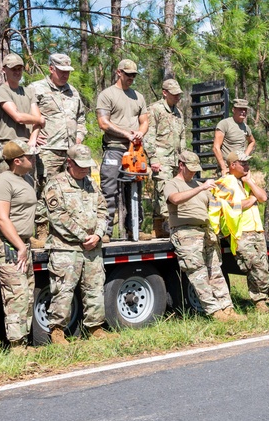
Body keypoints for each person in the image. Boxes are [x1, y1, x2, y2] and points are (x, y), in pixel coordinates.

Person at [39, 144, 116, 344]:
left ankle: (95, 328)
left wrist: (98, 234)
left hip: (93, 247)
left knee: (94, 288)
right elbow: (58, 217)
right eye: (80, 165)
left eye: (87, 166)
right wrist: (84, 236)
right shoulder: (56, 185)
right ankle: (57, 331)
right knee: (63, 290)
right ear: (69, 162)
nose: (85, 169)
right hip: (66, 248)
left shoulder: (90, 184)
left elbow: (102, 210)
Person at [165, 151, 243, 322]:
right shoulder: (172, 184)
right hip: (186, 233)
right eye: (190, 168)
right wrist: (201, 187)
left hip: (207, 232)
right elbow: (175, 200)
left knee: (215, 272)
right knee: (198, 273)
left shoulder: (199, 184)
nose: (193, 172)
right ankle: (215, 312)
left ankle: (228, 309)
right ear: (181, 165)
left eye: (195, 169)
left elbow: (216, 204)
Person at [27, 53, 87, 247]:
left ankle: (65, 231)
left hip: (71, 151)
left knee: (69, 191)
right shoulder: (36, 89)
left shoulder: (73, 91)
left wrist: (78, 138)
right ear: (51, 68)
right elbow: (29, 116)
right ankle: (42, 231)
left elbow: (81, 118)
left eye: (68, 72)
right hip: (48, 149)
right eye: (61, 71)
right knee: (46, 190)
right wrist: (34, 135)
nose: (65, 75)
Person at [212, 151, 269, 312]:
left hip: (256, 230)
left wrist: (250, 181)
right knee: (254, 266)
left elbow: (263, 197)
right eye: (243, 163)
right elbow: (231, 206)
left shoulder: (246, 181)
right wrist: (251, 199)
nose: (247, 166)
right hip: (240, 232)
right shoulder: (225, 182)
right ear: (232, 165)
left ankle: (262, 301)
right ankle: (268, 294)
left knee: (261, 266)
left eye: (247, 163)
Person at [0, 140, 37, 351]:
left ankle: (24, 342)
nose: (34, 159)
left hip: (22, 244)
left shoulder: (25, 179)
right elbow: (1, 218)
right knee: (16, 296)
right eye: (30, 156)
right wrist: (19, 246)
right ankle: (17, 347)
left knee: (27, 295)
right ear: (17, 161)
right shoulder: (3, 182)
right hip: (10, 245)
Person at [96, 59, 148, 241]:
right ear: (119, 72)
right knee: (109, 190)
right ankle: (105, 231)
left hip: (135, 150)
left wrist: (140, 133)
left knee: (134, 191)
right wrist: (126, 134)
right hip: (114, 148)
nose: (131, 78)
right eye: (128, 74)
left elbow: (145, 121)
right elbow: (103, 122)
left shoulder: (138, 96)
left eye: (134, 75)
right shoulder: (107, 94)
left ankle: (135, 229)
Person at [144, 79, 187, 239]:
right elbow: (149, 135)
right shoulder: (155, 109)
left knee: (171, 191)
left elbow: (182, 136)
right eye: (174, 94)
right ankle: (173, 226)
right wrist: (153, 158)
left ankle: (159, 229)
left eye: (179, 94)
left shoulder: (178, 113)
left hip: (176, 160)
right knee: (164, 193)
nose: (177, 97)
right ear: (165, 93)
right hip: (161, 159)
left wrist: (184, 158)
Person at [0, 53, 44, 166]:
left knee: (28, 183)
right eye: (13, 69)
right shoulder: (1, 92)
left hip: (28, 146)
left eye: (19, 69)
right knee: (7, 181)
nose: (17, 72)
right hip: (9, 145)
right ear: (4, 69)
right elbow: (18, 117)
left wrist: (33, 139)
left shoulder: (29, 92)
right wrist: (39, 120)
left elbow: (38, 119)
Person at [213, 99, 256, 176]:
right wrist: (223, 167)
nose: (243, 112)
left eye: (245, 109)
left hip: (240, 169)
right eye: (240, 109)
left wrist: (245, 156)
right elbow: (216, 148)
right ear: (233, 110)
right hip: (228, 169)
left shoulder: (246, 127)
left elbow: (252, 142)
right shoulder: (224, 124)